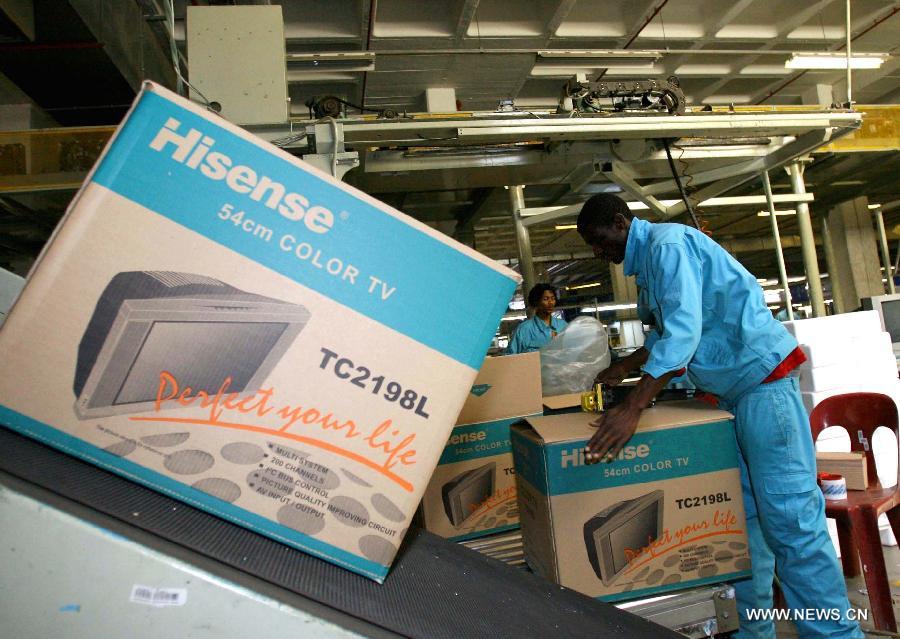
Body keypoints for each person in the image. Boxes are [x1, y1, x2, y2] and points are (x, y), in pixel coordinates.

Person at [577, 193, 861, 639]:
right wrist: (624, 368)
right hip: (730, 397)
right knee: (743, 528)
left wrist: (634, 406)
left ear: (620, 222)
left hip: (763, 386)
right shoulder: (650, 263)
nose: (599, 253)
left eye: (599, 241)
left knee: (791, 524)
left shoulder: (667, 246)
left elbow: (685, 333)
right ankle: (752, 633)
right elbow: (669, 333)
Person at [506, 283, 568, 354]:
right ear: (536, 302)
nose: (550, 302)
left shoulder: (563, 326)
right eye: (546, 299)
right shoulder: (524, 330)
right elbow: (509, 357)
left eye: (553, 298)